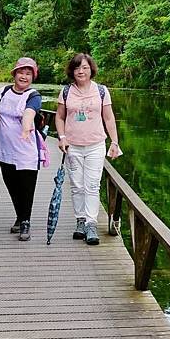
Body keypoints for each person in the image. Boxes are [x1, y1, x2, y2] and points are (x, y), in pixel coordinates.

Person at [55, 53, 120, 245]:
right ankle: (80, 221)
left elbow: (108, 118)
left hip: (95, 145)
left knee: (92, 185)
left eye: (84, 67)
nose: (80, 71)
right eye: (77, 68)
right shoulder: (66, 92)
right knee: (77, 185)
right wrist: (62, 137)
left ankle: (91, 223)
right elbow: (59, 117)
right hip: (72, 146)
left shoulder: (101, 91)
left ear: (91, 69)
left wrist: (114, 142)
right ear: (72, 71)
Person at [0, 57, 43, 242]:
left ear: (32, 77)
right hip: (5, 148)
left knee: (26, 187)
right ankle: (20, 217)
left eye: (28, 73)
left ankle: (26, 221)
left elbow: (30, 112)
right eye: (21, 72)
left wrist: (27, 128)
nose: (24, 76)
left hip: (27, 149)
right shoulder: (3, 92)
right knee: (11, 184)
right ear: (14, 74)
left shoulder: (33, 95)